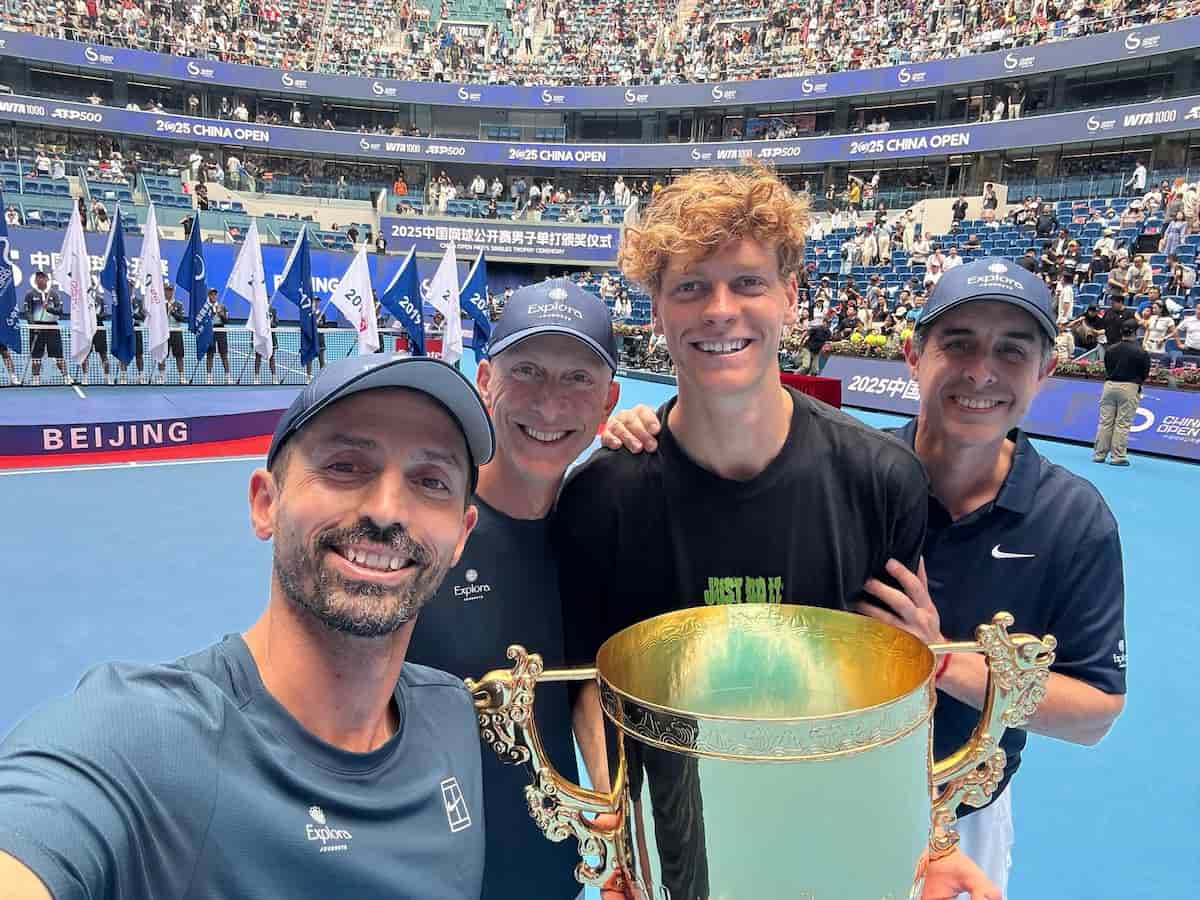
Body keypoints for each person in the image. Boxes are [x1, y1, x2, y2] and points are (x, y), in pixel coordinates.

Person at [607, 259, 1128, 898]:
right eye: (958, 344)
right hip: (804, 800)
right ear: (913, 355)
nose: (981, 371)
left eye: (1011, 351)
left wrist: (941, 662)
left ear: (1046, 370)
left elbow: (1093, 714)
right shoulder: (850, 472)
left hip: (961, 809)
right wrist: (652, 432)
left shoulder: (1074, 520)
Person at [564, 166, 998, 900]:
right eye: (690, 288)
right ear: (657, 310)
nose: (720, 311)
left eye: (748, 283)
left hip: (831, 844)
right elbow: (589, 686)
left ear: (790, 297)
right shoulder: (601, 496)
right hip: (678, 849)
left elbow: (896, 689)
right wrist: (628, 833)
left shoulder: (882, 480)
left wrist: (923, 830)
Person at [0, 354, 495, 899]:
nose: (386, 509)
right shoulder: (142, 739)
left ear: (461, 536)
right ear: (265, 503)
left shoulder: (452, 715)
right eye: (345, 466)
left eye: (431, 481)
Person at [408, 280, 620, 900]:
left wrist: (619, 811)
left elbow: (589, 680)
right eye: (526, 371)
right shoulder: (419, 530)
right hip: (414, 877)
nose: (550, 404)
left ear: (608, 402)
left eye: (577, 378)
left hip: (550, 874)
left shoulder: (602, 527)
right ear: (484, 381)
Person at [1093, 317, 1150, 466]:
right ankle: (1117, 457)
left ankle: (1099, 454)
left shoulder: (1110, 349)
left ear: (1121, 331)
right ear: (1136, 332)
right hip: (1129, 387)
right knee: (1122, 424)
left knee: (1105, 422)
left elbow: (1107, 367)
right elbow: (1144, 373)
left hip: (1109, 386)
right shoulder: (1141, 352)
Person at [23, 270, 72, 386]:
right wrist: (33, 325)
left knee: (58, 354)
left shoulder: (54, 294)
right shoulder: (30, 294)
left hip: (52, 327)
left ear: (47, 279)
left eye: (42, 277)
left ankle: (66, 377)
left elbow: (59, 311)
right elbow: (27, 312)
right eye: (38, 277)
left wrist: (48, 308)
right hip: (36, 327)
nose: (39, 279)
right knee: (36, 356)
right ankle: (35, 378)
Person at [78, 285, 114, 385]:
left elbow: (105, 314)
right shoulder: (82, 301)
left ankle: (107, 377)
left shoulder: (100, 299)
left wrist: (95, 316)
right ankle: (85, 377)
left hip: (99, 328)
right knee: (85, 354)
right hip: (87, 329)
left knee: (103, 354)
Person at [203, 288, 233, 384]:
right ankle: (209, 377)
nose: (213, 296)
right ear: (208, 296)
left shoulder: (222, 307)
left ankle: (228, 377)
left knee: (224, 354)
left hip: (221, 330)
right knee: (210, 354)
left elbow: (227, 321)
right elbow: (203, 320)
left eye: (215, 294)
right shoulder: (205, 307)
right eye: (211, 294)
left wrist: (221, 314)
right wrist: (212, 313)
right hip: (210, 330)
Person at [163, 285, 188, 383]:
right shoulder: (160, 304)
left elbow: (181, 318)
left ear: (173, 292)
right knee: (162, 355)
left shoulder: (178, 304)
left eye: (170, 290)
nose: (168, 292)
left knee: (179, 356)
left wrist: (173, 311)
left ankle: (181, 377)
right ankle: (161, 376)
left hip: (176, 331)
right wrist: (166, 309)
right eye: (167, 290)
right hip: (164, 332)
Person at [254, 305, 281, 384]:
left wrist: (270, 322)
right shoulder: (258, 310)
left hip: (271, 337)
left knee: (271, 357)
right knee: (258, 356)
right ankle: (256, 378)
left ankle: (274, 378)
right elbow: (255, 324)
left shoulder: (273, 310)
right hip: (260, 337)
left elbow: (276, 324)